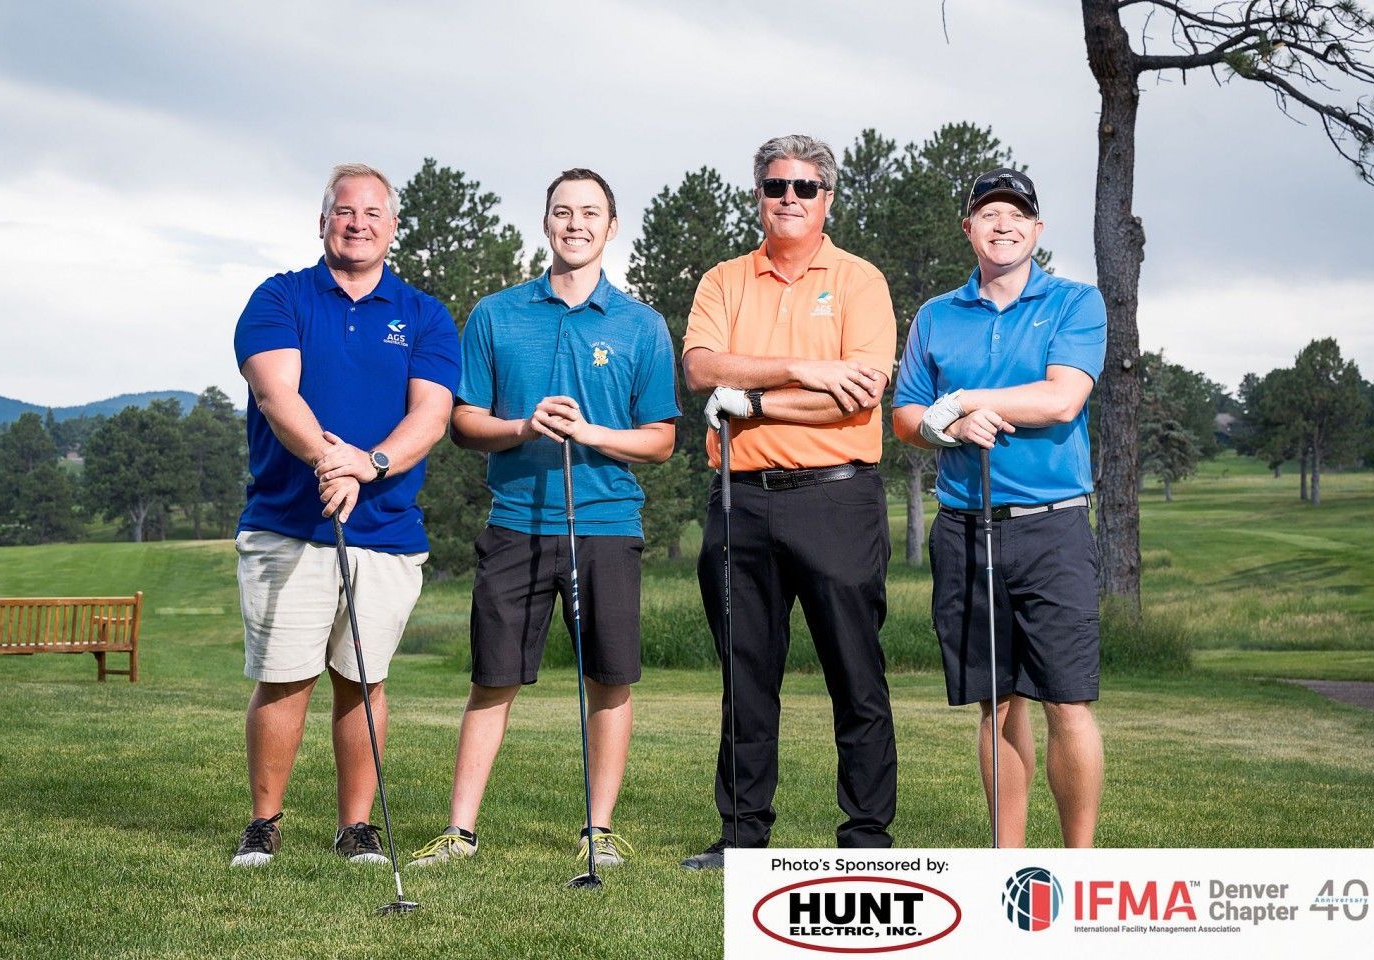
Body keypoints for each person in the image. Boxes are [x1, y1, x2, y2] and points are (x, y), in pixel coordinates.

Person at [409, 169, 679, 870]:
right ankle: (460, 833)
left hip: (606, 525)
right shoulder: (496, 314)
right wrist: (524, 427)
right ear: (546, 222)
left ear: (611, 227)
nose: (575, 224)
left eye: (590, 213)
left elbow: (660, 440)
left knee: (609, 680)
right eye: (563, 212)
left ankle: (599, 830)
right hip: (516, 523)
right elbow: (463, 422)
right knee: (493, 679)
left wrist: (592, 434)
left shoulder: (641, 325)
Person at [229, 163, 460, 867]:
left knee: (363, 680)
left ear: (393, 226)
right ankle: (264, 823)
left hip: (385, 530)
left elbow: (432, 414)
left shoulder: (424, 314)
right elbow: (277, 394)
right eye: (344, 211)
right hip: (288, 525)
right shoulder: (280, 297)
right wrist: (330, 461)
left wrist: (371, 464)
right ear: (323, 221)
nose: (357, 223)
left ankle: (356, 827)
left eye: (372, 213)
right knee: (285, 676)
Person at [679, 135, 898, 870]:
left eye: (805, 187)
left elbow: (859, 394)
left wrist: (752, 401)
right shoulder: (723, 280)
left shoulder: (860, 280)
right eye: (777, 186)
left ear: (826, 197)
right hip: (741, 500)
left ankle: (865, 839)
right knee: (744, 679)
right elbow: (702, 368)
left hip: (837, 499)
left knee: (855, 675)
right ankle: (742, 837)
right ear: (759, 195)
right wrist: (805, 369)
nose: (790, 198)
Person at [892, 168, 1106, 847]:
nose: (1002, 224)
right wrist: (948, 426)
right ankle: (1005, 864)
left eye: (1016, 214)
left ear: (1036, 229)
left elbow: (1061, 399)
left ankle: (1078, 867)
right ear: (969, 229)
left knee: (1067, 701)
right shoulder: (935, 316)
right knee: (995, 701)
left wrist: (961, 401)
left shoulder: (1074, 302)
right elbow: (904, 415)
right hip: (965, 528)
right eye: (988, 213)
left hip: (1052, 528)